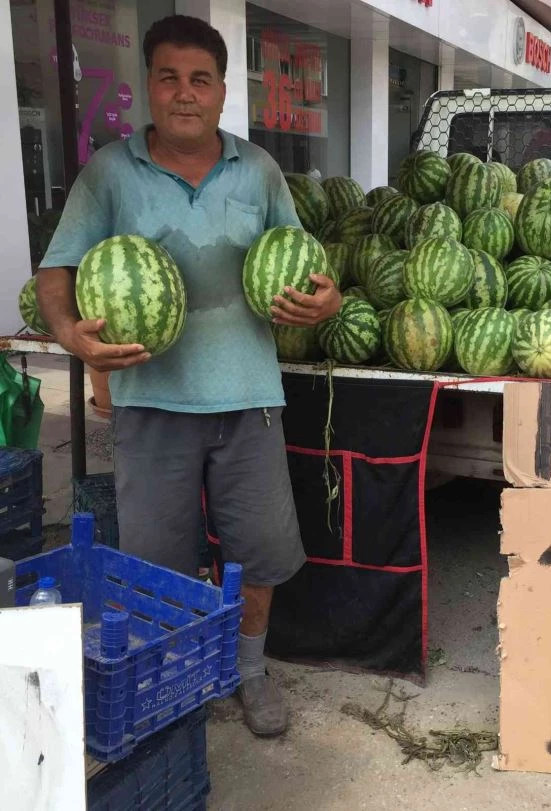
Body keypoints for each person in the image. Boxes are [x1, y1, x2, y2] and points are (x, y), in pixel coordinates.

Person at [36, 15, 341, 737]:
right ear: (149, 85)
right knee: (159, 559)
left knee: (259, 550)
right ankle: (178, 670)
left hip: (251, 399)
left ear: (222, 91)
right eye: (168, 78)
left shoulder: (259, 170)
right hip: (152, 400)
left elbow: (308, 267)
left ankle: (249, 669)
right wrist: (69, 334)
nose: (183, 94)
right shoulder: (109, 172)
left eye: (199, 80)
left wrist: (327, 300)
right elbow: (57, 271)